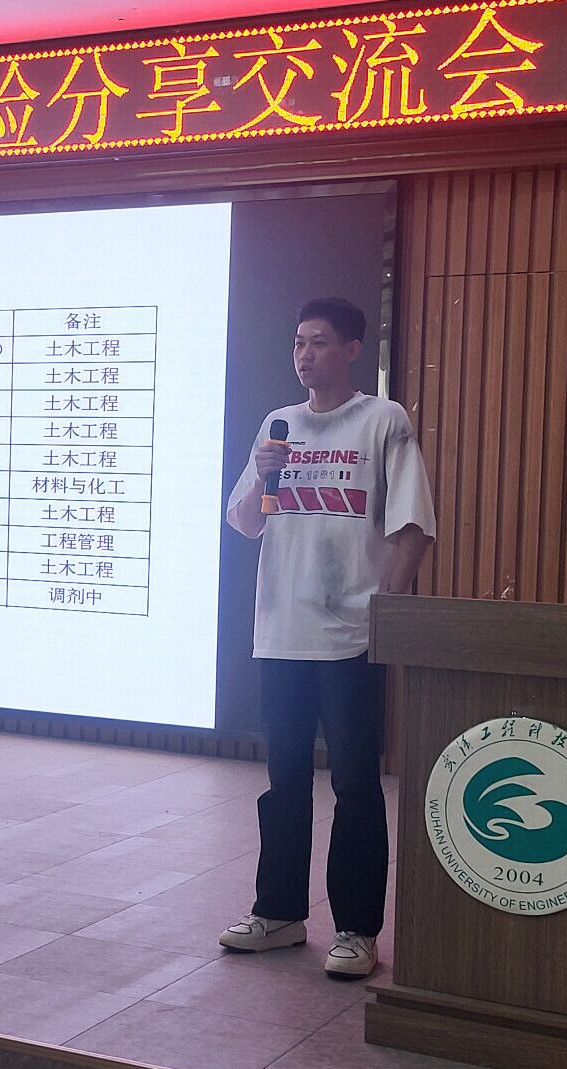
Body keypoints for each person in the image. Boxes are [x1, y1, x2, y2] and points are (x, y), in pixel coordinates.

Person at [220, 297, 435, 979]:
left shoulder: (383, 420)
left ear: (351, 350)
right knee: (283, 780)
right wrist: (265, 471)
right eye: (297, 343)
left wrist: (385, 614)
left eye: (317, 342)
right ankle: (279, 913)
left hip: (350, 636)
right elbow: (246, 522)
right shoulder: (278, 426)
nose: (304, 355)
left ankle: (357, 930)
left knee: (355, 784)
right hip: (281, 632)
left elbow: (413, 526)